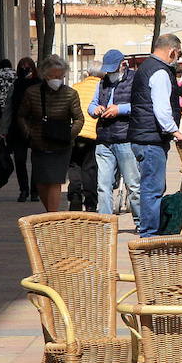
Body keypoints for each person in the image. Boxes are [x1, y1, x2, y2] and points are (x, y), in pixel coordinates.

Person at [130, 34, 182, 238]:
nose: (178, 58)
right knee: (153, 188)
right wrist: (175, 131)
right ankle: (149, 235)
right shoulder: (160, 72)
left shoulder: (145, 67)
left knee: (150, 186)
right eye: (178, 54)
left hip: (143, 137)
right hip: (151, 139)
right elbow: (162, 108)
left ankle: (149, 231)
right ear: (172, 51)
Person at [16, 55, 83, 213]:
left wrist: (69, 135)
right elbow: (22, 115)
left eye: (60, 76)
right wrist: (29, 133)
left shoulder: (70, 94)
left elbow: (79, 119)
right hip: (39, 143)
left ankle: (52, 216)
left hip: (61, 146)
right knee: (40, 182)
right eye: (53, 76)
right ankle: (50, 213)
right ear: (44, 75)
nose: (57, 80)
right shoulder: (32, 93)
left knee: (55, 180)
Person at [91, 49, 142, 230]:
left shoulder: (135, 80)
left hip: (125, 139)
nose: (110, 73)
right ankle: (106, 224)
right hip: (104, 139)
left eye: (113, 69)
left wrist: (119, 109)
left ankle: (141, 222)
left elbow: (140, 105)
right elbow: (92, 104)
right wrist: (95, 109)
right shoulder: (102, 83)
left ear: (122, 65)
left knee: (133, 184)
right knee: (103, 185)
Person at [66, 65, 103, 212]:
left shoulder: (76, 87)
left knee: (74, 165)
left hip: (76, 132)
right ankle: (90, 202)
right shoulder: (102, 88)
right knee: (90, 168)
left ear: (88, 73)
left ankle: (75, 196)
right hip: (93, 134)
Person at [4, 57, 40, 202]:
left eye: (28, 67)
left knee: (37, 161)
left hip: (36, 127)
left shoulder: (39, 84)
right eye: (22, 67)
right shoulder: (16, 85)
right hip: (17, 127)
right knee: (19, 160)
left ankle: (35, 191)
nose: (25, 70)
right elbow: (8, 107)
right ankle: (24, 189)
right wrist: (4, 128)